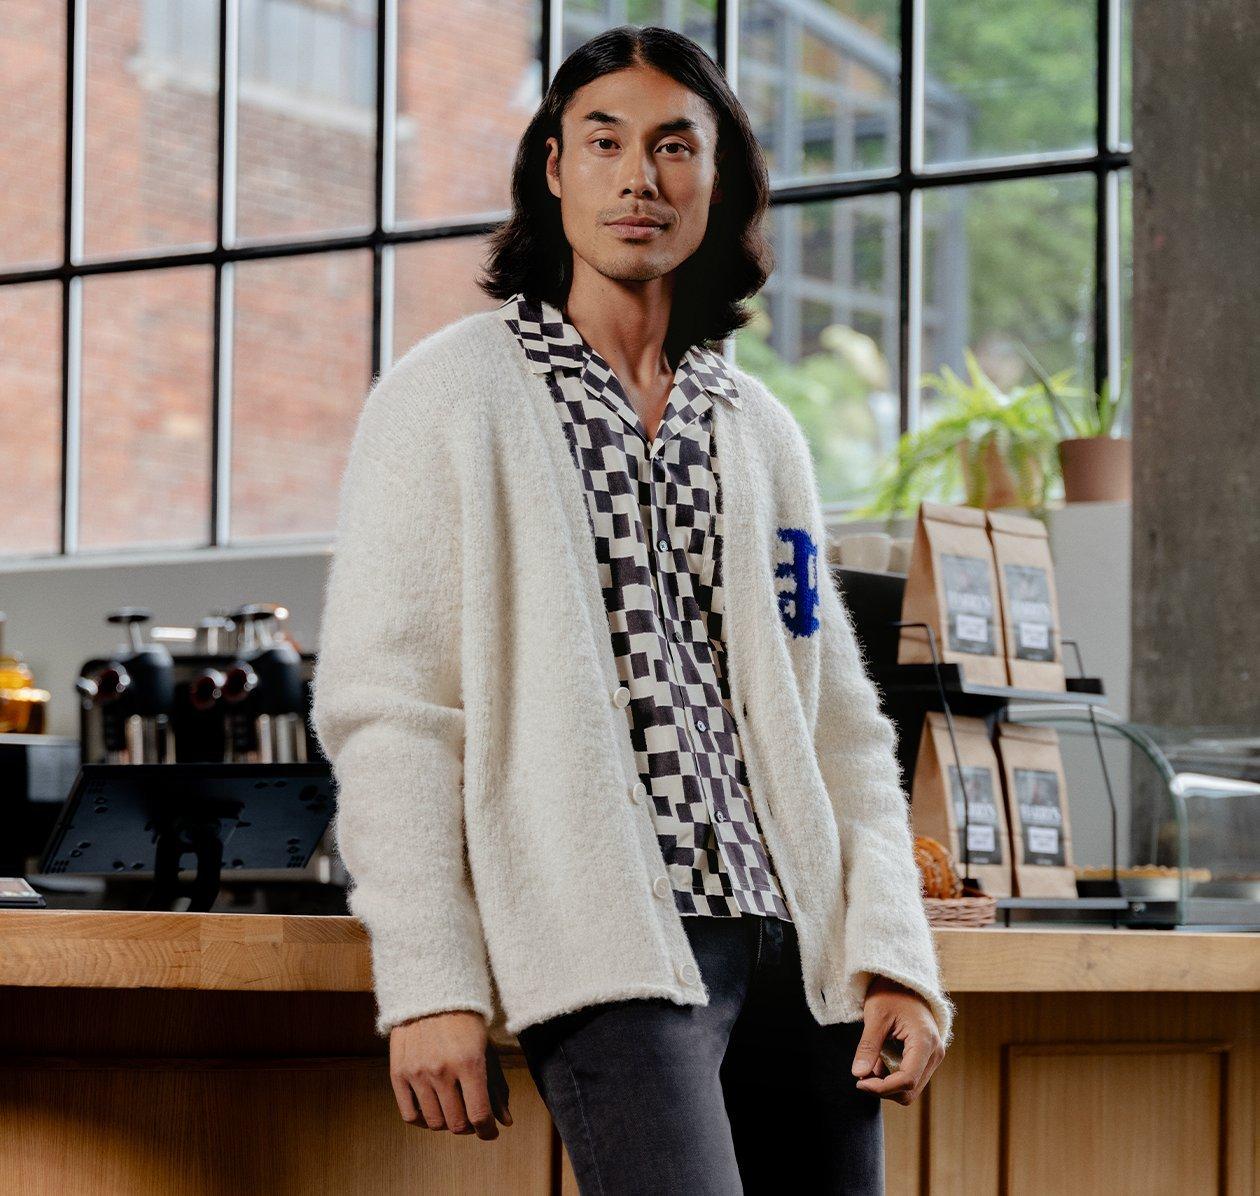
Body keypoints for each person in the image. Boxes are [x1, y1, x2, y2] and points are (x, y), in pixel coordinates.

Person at [311, 24, 953, 1195]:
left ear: (722, 181)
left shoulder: (759, 428)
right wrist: (431, 982)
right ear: (553, 168)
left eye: (675, 147)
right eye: (603, 141)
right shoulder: (447, 398)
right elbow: (393, 713)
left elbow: (839, 728)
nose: (638, 178)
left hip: (798, 958)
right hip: (612, 954)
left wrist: (894, 956)